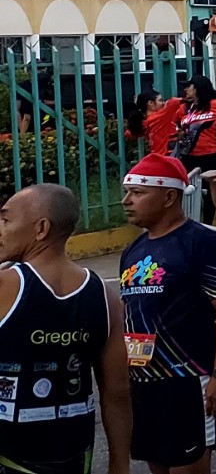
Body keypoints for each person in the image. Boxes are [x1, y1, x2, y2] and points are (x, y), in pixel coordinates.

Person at [118, 154, 216, 474]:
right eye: (126, 192)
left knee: (187, 468)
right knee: (157, 465)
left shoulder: (200, 242)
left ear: (169, 197)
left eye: (137, 192)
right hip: (144, 380)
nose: (126, 201)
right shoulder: (133, 250)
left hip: (188, 380)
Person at [0, 184, 131, 474]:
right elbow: (117, 392)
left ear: (41, 228)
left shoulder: (6, 286)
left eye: (6, 219)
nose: (0, 228)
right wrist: (120, 465)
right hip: (75, 451)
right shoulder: (104, 295)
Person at [169, 77, 216, 222]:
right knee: (187, 190)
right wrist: (178, 132)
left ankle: (207, 224)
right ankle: (187, 222)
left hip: (211, 155)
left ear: (198, 88)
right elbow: (172, 123)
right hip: (188, 155)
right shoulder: (184, 108)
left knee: (209, 192)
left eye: (189, 86)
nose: (185, 90)